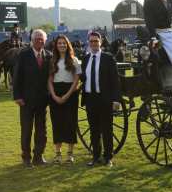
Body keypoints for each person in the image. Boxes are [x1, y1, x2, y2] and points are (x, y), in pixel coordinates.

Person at [81, 31, 122, 168]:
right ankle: (95, 156)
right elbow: (83, 78)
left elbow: (115, 81)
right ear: (88, 42)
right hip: (90, 99)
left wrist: (116, 99)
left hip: (104, 98)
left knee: (106, 129)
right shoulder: (85, 59)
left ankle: (108, 157)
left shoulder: (108, 58)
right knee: (94, 130)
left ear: (101, 42)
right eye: (91, 41)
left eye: (96, 41)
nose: (93, 43)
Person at [13, 29, 52, 167]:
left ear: (45, 41)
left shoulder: (49, 56)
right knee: (26, 129)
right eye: (37, 39)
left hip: (42, 100)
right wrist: (17, 96)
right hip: (26, 100)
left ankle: (38, 156)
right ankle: (26, 157)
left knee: (42, 130)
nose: (39, 41)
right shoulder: (23, 55)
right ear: (32, 40)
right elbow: (17, 77)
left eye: (42, 39)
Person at [48, 35, 81, 164]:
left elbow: (76, 80)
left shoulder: (75, 60)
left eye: (64, 43)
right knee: (57, 123)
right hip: (55, 93)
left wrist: (67, 95)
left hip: (70, 94)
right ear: (56, 46)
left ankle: (70, 154)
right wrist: (54, 96)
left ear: (68, 45)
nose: (62, 45)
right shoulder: (52, 61)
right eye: (59, 43)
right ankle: (57, 154)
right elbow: (49, 81)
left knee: (70, 123)